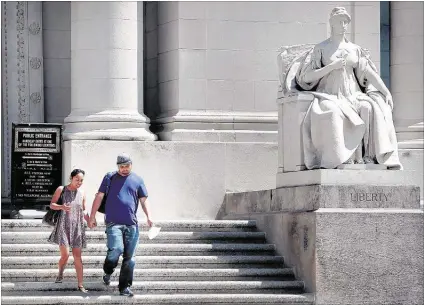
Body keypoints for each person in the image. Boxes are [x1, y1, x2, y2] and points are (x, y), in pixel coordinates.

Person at [294, 7, 402, 170]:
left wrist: (386, 92)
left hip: (353, 95)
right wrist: (331, 67)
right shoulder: (321, 49)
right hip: (329, 95)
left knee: (367, 107)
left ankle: (366, 157)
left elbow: (369, 73)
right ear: (331, 23)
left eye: (345, 22)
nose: (343, 25)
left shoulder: (354, 49)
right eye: (339, 21)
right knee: (335, 113)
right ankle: (342, 157)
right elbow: (307, 77)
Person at [88, 153, 152, 297]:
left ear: (131, 164)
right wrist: (92, 216)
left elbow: (143, 200)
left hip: (131, 225)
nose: (124, 169)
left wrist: (149, 217)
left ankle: (124, 287)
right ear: (117, 166)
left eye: (127, 166)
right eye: (121, 166)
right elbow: (99, 196)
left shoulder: (138, 180)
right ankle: (108, 270)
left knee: (130, 259)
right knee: (116, 249)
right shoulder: (109, 177)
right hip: (113, 223)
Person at [48, 168, 89, 293]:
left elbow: (84, 209)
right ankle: (60, 272)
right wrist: (61, 206)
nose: (79, 182)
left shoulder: (82, 192)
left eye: (81, 180)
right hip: (63, 226)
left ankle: (80, 284)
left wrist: (90, 218)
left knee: (78, 257)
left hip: (77, 228)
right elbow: (52, 205)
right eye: (77, 179)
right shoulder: (61, 189)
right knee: (65, 256)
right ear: (71, 178)